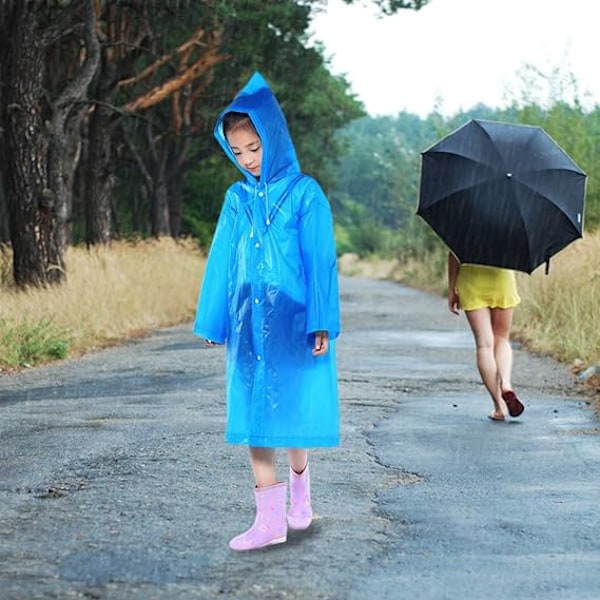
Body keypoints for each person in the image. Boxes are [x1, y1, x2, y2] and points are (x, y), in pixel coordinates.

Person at [193, 72, 341, 552]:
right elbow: (221, 259)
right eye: (238, 153)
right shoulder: (236, 199)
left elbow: (320, 260)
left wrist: (321, 318)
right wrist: (215, 318)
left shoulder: (305, 193)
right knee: (257, 414)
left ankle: (301, 495)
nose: (248, 160)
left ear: (272, 137)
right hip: (247, 324)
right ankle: (269, 521)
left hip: (294, 322)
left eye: (254, 148)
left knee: (291, 411)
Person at [447, 252, 525, 421]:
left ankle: (499, 407)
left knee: (484, 345)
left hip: (471, 281)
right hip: (502, 279)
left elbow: (454, 255)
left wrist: (452, 287)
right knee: (502, 339)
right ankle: (506, 384)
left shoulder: (463, 225)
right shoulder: (511, 225)